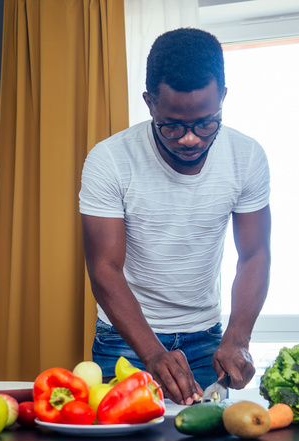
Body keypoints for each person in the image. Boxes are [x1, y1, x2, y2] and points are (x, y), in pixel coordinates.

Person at [79, 27, 271, 405]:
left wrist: (238, 336)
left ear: (223, 99)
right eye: (172, 125)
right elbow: (104, 269)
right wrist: (152, 354)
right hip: (125, 341)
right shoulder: (109, 160)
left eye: (205, 122)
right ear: (150, 103)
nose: (190, 139)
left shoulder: (246, 156)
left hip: (207, 342)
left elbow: (255, 254)